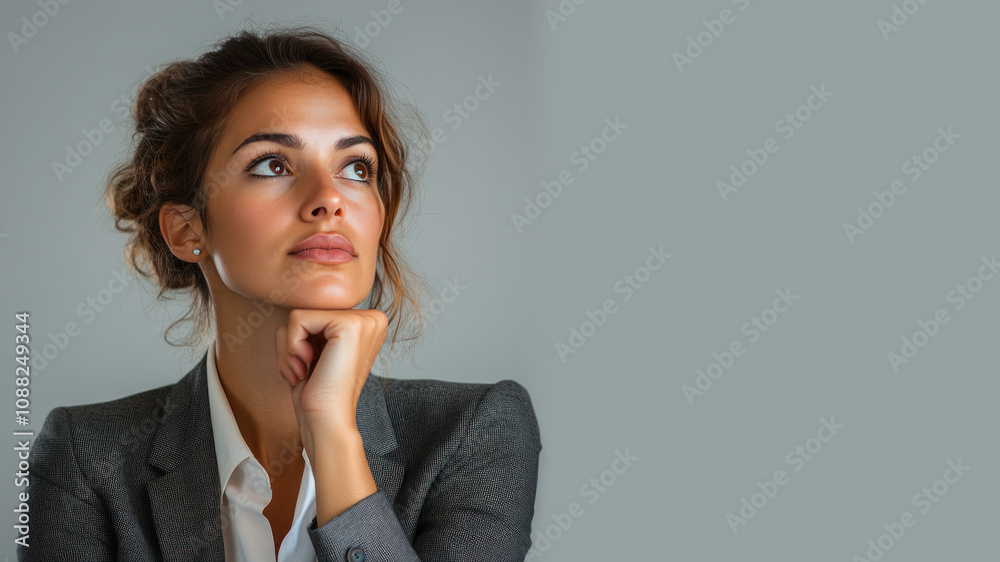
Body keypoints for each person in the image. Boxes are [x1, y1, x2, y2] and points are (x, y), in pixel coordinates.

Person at [19, 24, 542, 562]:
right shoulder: (83, 457)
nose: (329, 200)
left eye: (356, 168)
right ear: (187, 229)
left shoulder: (477, 432)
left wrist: (333, 434)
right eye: (273, 164)